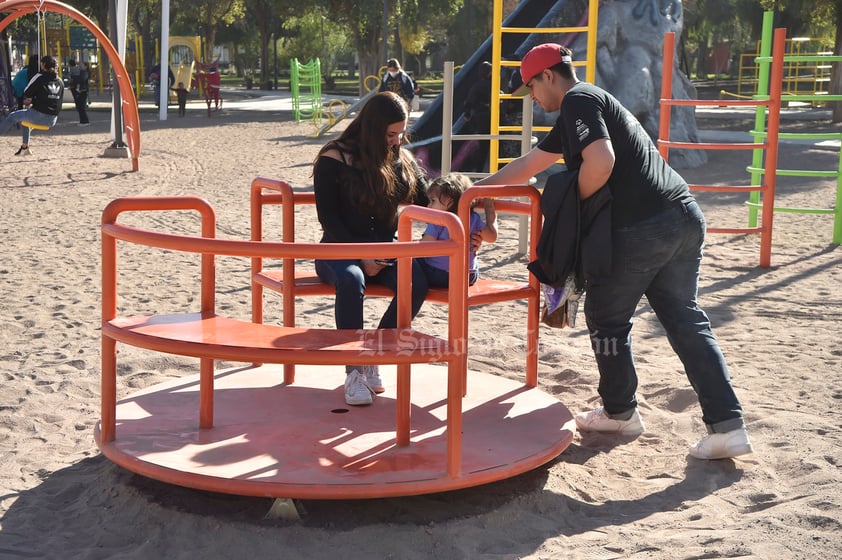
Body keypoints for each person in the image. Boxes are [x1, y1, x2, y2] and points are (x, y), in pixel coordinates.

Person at [476, 43, 753, 460]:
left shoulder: (578, 99)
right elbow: (530, 163)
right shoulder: (588, 105)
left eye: (531, 86)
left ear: (549, 76)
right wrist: (477, 191)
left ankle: (621, 412)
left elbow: (600, 163)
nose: (532, 97)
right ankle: (727, 426)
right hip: (684, 217)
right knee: (685, 319)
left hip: (642, 225)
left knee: (605, 316)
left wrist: (572, 205)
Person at [313, 91, 430, 406]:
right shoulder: (333, 157)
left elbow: (428, 197)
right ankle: (353, 371)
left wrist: (467, 199)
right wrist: (361, 256)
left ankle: (374, 353)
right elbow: (328, 218)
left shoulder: (398, 158)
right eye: (391, 134)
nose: (397, 141)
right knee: (352, 279)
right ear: (372, 128)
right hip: (337, 250)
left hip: (385, 249)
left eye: (401, 133)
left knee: (414, 282)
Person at [420, 173, 497, 288]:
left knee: (413, 262)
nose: (428, 206)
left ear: (449, 201)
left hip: (440, 275)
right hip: (468, 276)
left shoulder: (439, 219)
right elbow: (492, 237)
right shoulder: (473, 218)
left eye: (432, 201)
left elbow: (423, 248)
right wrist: (490, 211)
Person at [0, 55, 64, 156]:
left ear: (42, 65)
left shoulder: (40, 76)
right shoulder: (60, 81)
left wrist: (32, 97)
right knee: (25, 121)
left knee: (12, 116)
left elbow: (27, 92)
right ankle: (24, 148)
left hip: (39, 115)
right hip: (53, 120)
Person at [461, 61, 494, 172]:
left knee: (483, 145)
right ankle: (490, 169)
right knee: (493, 145)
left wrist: (468, 114)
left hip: (481, 117)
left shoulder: (477, 86)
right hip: (491, 116)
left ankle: (480, 170)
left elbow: (469, 101)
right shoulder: (493, 85)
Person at [69, 60, 90, 126]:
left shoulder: (84, 72)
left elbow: (82, 80)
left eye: (82, 65)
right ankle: (83, 121)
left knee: (81, 106)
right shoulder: (82, 72)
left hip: (83, 90)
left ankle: (84, 121)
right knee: (80, 106)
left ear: (85, 66)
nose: (80, 66)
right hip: (82, 90)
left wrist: (74, 80)